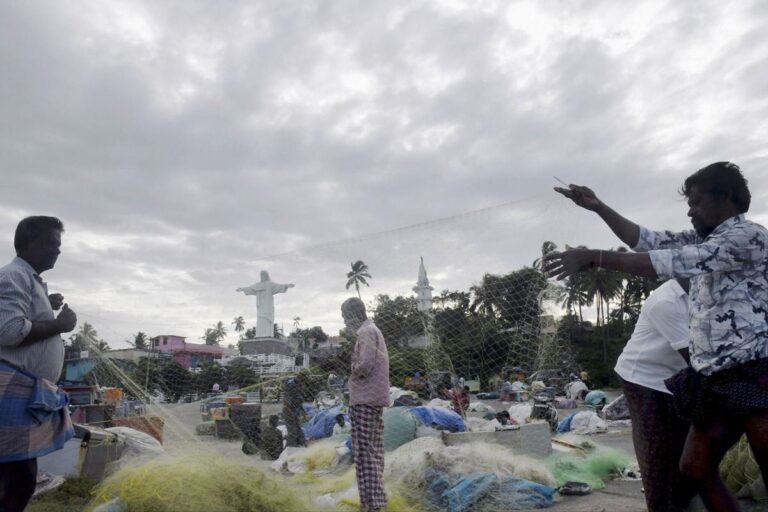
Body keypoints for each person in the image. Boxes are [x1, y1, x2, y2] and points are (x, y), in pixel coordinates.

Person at [547, 162, 768, 511]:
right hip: (715, 381)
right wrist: (598, 207)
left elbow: (670, 261)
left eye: (696, 202)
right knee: (694, 468)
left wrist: (595, 257)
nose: (690, 211)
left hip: (755, 375)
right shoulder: (704, 238)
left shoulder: (748, 236)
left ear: (725, 197)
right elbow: (646, 241)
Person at [0, 216, 78, 512]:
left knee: (18, 476)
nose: (57, 251)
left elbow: (21, 315)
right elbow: (9, 331)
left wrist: (47, 302)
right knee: (19, 476)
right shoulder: (13, 276)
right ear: (29, 242)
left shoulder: (28, 280)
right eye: (52, 244)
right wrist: (60, 325)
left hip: (20, 389)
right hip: (11, 388)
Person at [613, 278, 697, 511]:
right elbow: (698, 360)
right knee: (657, 455)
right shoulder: (665, 301)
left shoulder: (708, 291)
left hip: (678, 377)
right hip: (644, 380)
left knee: (682, 446)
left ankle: (682, 500)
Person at [342, 297, 389, 512]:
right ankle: (375, 502)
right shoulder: (373, 329)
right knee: (374, 451)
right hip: (374, 398)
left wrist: (348, 367)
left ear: (353, 314)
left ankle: (372, 505)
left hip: (364, 399)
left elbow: (364, 365)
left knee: (364, 455)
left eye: (345, 317)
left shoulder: (365, 332)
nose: (344, 322)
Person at [282, 371, 310, 447]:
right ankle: (289, 448)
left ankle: (300, 445)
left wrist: (304, 413)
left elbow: (299, 401)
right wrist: (290, 413)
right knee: (292, 432)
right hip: (289, 412)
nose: (304, 384)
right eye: (304, 380)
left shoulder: (299, 386)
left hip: (295, 412)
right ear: (301, 378)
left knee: (299, 431)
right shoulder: (291, 385)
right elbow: (286, 401)